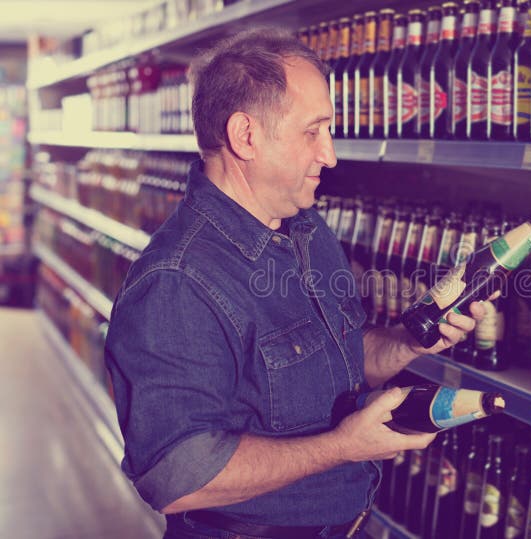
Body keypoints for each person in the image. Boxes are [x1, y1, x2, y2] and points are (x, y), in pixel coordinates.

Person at [104, 28, 491, 539]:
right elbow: (178, 478)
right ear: (246, 136)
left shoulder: (306, 230)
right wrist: (341, 446)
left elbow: (338, 361)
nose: (329, 155)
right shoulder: (178, 281)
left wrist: (408, 343)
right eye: (314, 131)